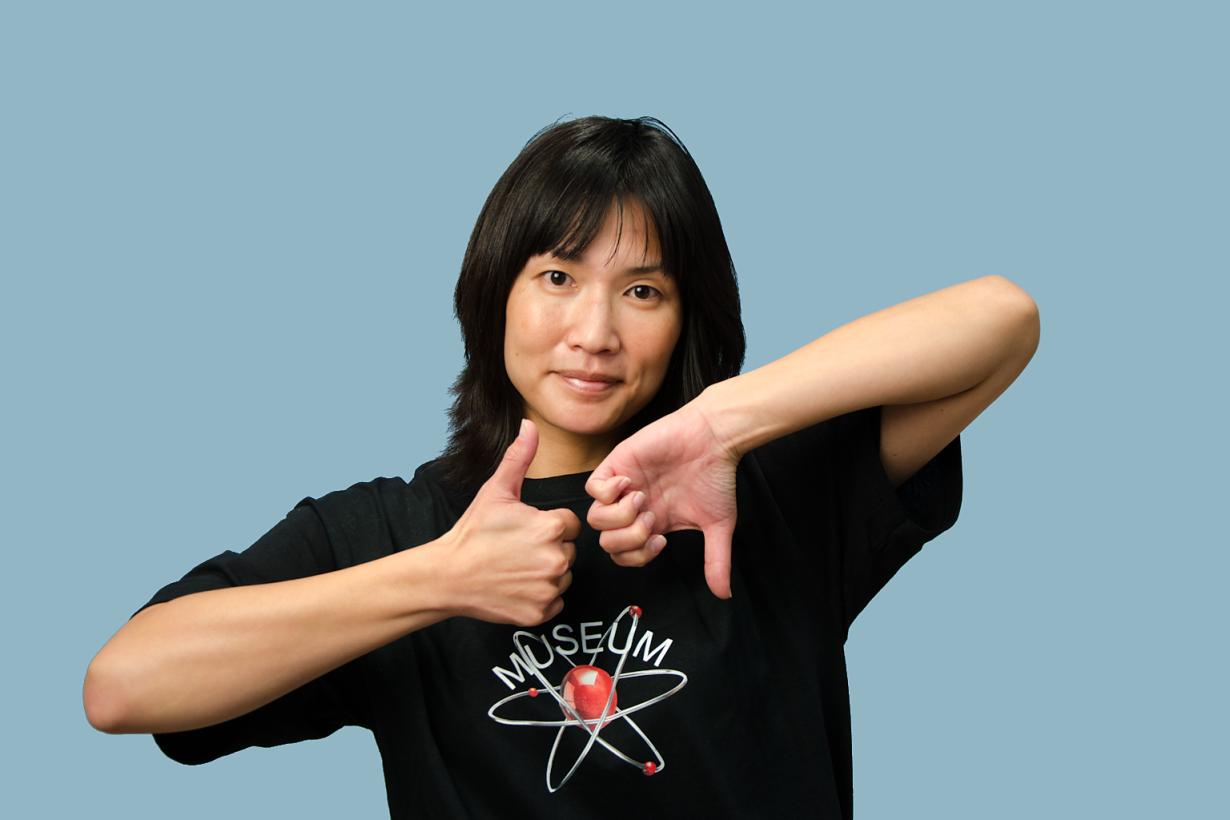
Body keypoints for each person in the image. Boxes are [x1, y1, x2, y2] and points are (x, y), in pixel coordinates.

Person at [84, 115, 1040, 818]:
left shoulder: (764, 494)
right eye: (557, 277)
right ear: (493, 294)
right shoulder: (391, 531)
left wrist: (721, 427)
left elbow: (1001, 320)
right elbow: (123, 686)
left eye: (643, 289)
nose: (595, 332)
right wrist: (436, 579)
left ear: (686, 319)